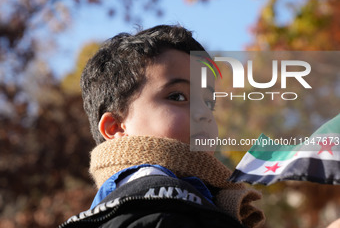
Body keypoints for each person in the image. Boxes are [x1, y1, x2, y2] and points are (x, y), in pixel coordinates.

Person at [59, 25, 265, 228]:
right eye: (178, 96)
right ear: (116, 128)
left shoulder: (205, 203)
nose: (203, 113)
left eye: (209, 103)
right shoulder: (157, 211)